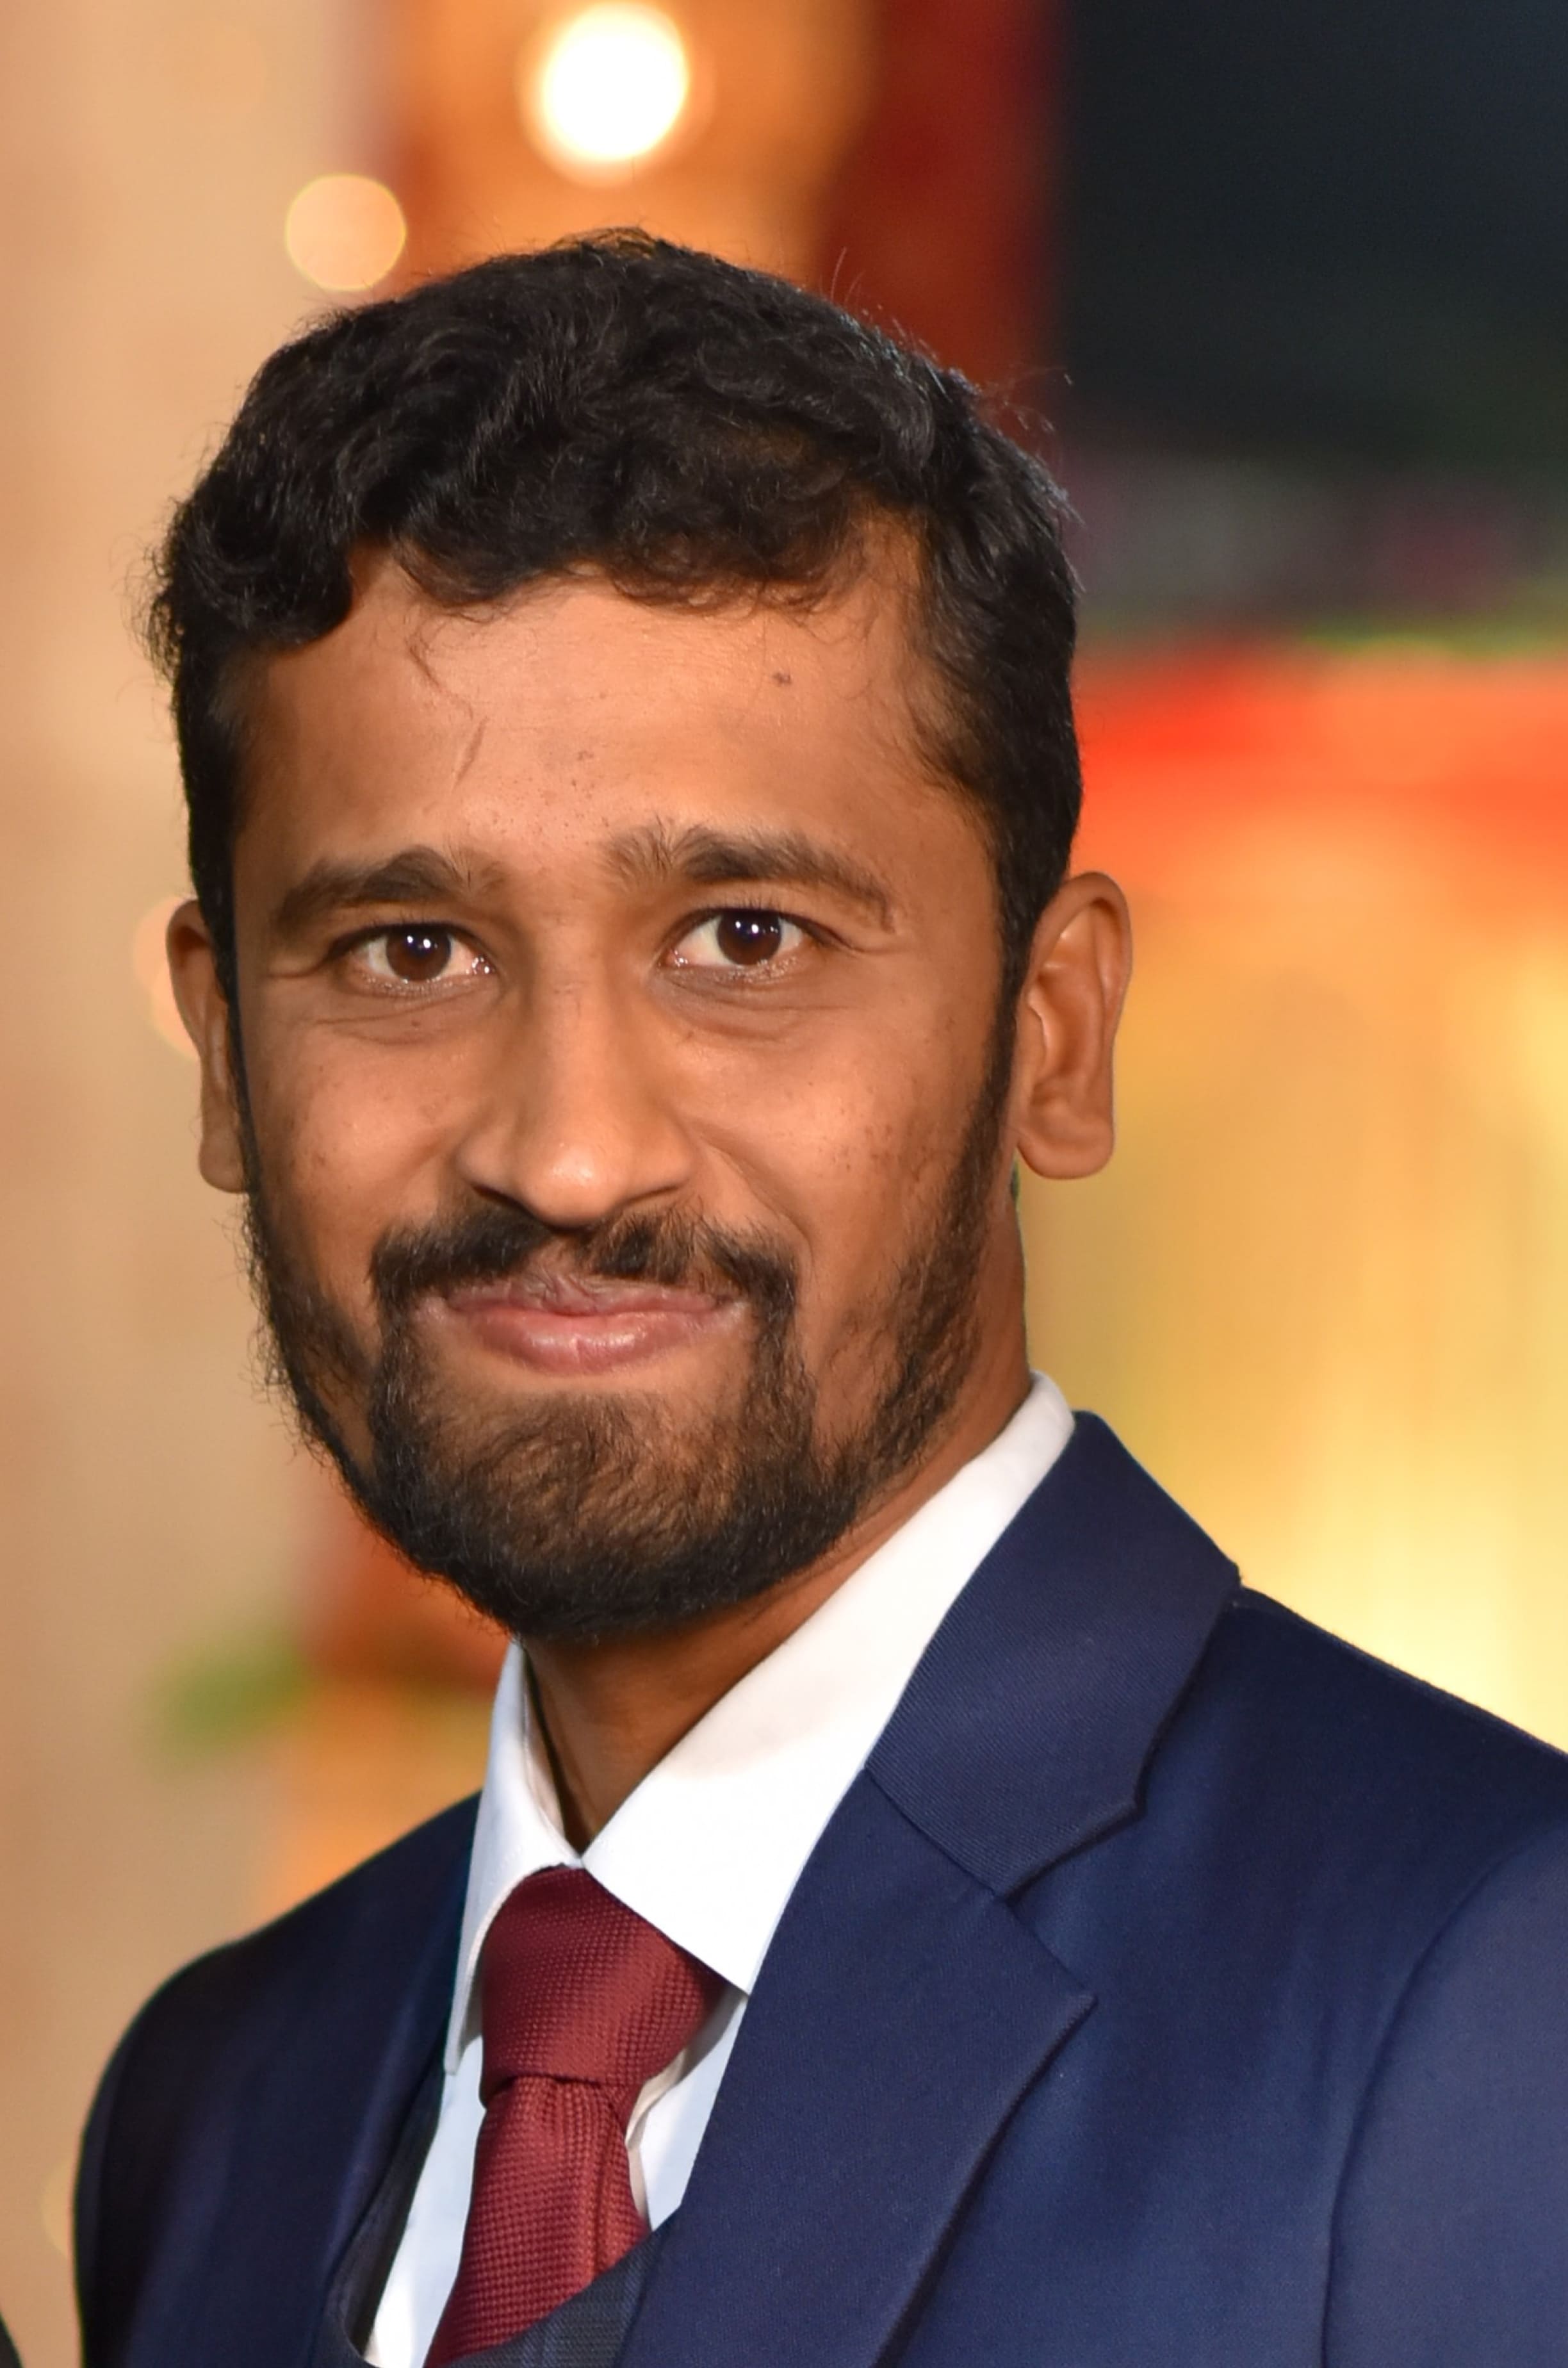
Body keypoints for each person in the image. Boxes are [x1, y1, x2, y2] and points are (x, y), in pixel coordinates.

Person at [77, 234, 1568, 2368]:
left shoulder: (1494, 1998)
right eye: (412, 953)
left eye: (746, 940)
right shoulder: (221, 2103)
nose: (568, 1155)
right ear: (227, 1051)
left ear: (1055, 1032)